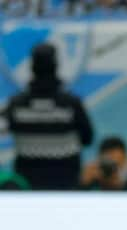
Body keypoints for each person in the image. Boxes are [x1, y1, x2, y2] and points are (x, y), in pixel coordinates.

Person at [6, 43, 93, 190]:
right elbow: (88, 139)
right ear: (55, 66)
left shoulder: (17, 105)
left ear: (32, 68)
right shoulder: (70, 104)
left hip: (27, 188)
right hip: (66, 185)